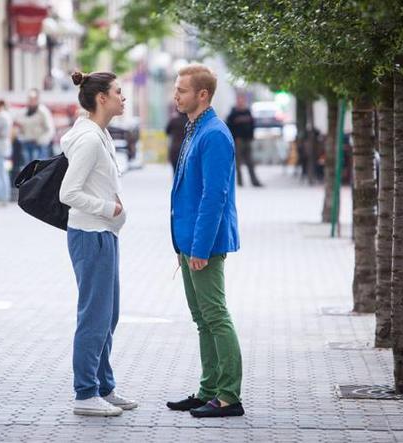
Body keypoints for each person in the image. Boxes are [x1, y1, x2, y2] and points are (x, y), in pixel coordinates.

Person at [167, 63, 244, 418]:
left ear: (202, 95)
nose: (175, 95)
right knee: (202, 318)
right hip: (188, 241)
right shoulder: (195, 128)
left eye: (181, 90)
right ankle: (208, 389)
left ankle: (229, 396)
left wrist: (199, 248)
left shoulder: (213, 134)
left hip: (204, 245)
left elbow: (215, 196)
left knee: (216, 316)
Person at [59, 71, 137, 417]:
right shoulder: (89, 140)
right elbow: (68, 193)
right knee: (94, 316)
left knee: (109, 315)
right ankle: (85, 392)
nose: (124, 97)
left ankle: (104, 387)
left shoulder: (99, 134)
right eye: (119, 92)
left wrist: (113, 215)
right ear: (101, 98)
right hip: (91, 234)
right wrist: (110, 209)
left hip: (105, 234)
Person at [227, 95, 262, 187]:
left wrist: (251, 136)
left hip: (247, 140)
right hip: (238, 140)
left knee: (250, 162)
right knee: (238, 162)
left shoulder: (247, 112)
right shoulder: (233, 113)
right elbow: (229, 127)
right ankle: (240, 182)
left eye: (242, 100)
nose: (241, 102)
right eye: (239, 100)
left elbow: (252, 125)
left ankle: (254, 181)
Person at [15, 89, 56, 165]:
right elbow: (18, 128)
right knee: (27, 167)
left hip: (39, 145)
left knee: (39, 167)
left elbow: (50, 129)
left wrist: (42, 141)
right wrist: (21, 138)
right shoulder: (23, 112)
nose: (32, 101)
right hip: (26, 143)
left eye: (34, 99)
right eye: (30, 99)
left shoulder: (43, 112)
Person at [165, 108, 188, 174]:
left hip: (174, 148)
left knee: (175, 172)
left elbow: (167, 131)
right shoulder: (190, 121)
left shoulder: (173, 120)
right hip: (186, 148)